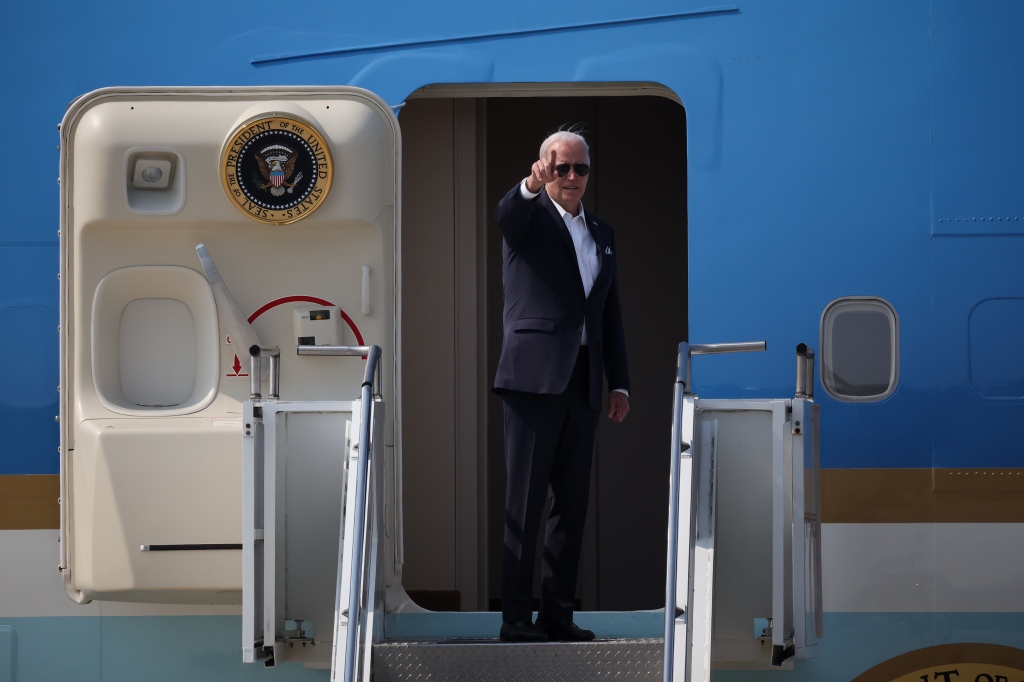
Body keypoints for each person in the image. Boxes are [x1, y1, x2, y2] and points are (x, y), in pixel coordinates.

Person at [493, 130, 630, 643]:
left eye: (580, 169)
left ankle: (556, 614)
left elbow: (608, 313)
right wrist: (529, 184)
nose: (571, 177)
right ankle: (514, 620)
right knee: (524, 505)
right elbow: (506, 214)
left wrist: (620, 383)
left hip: (584, 383)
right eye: (560, 168)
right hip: (532, 381)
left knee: (571, 506)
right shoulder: (526, 218)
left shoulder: (603, 231)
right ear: (545, 170)